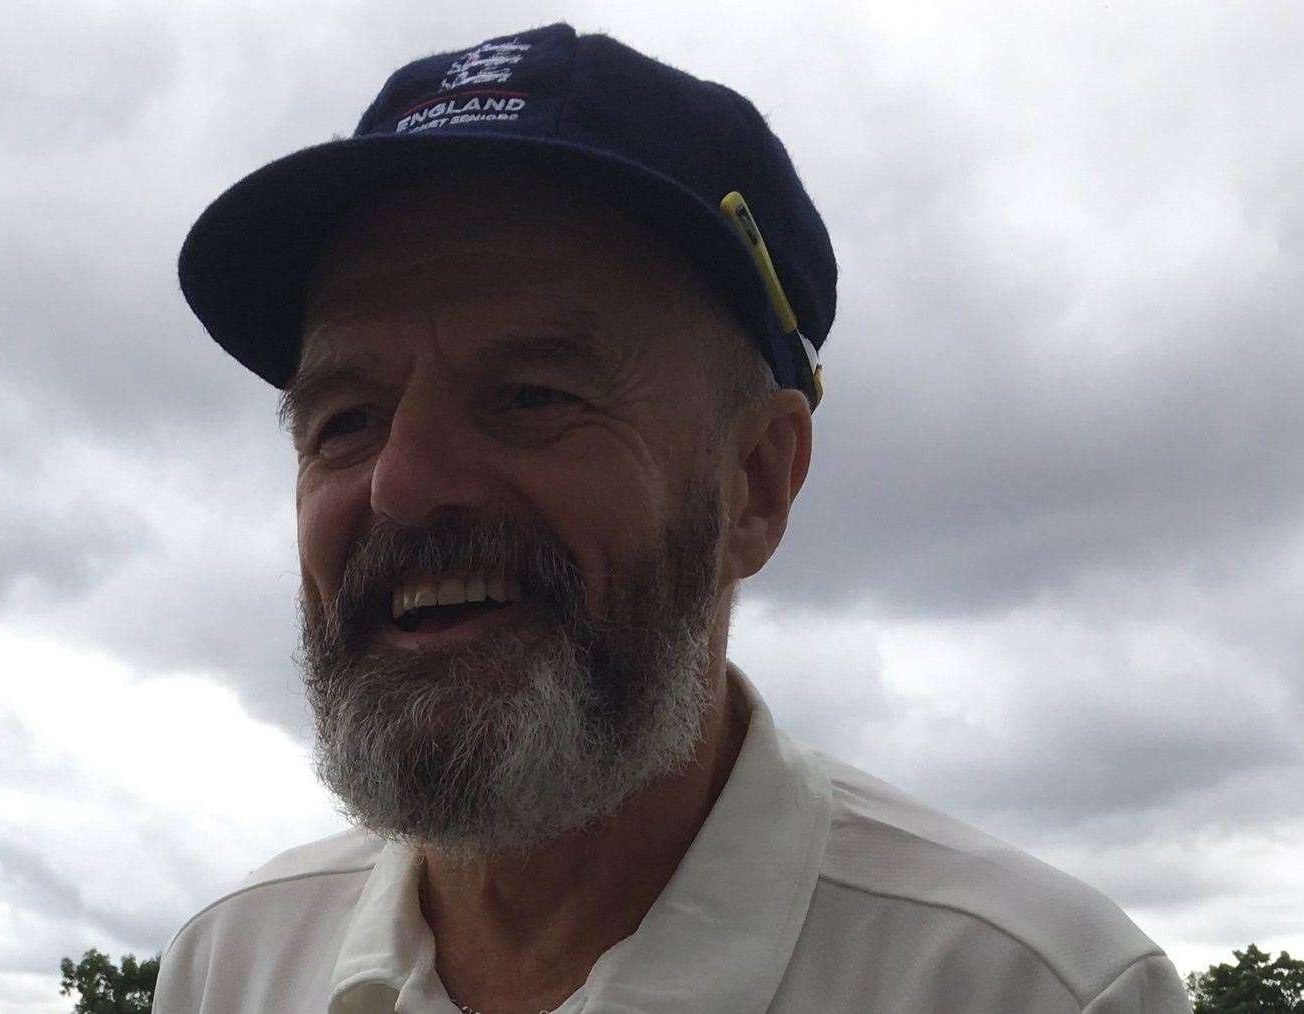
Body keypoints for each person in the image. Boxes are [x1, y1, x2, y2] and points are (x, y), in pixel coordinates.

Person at [154, 23, 1191, 1014]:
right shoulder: (231, 965)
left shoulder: (1032, 987)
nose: (402, 486)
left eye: (533, 396)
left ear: (758, 482)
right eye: (345, 420)